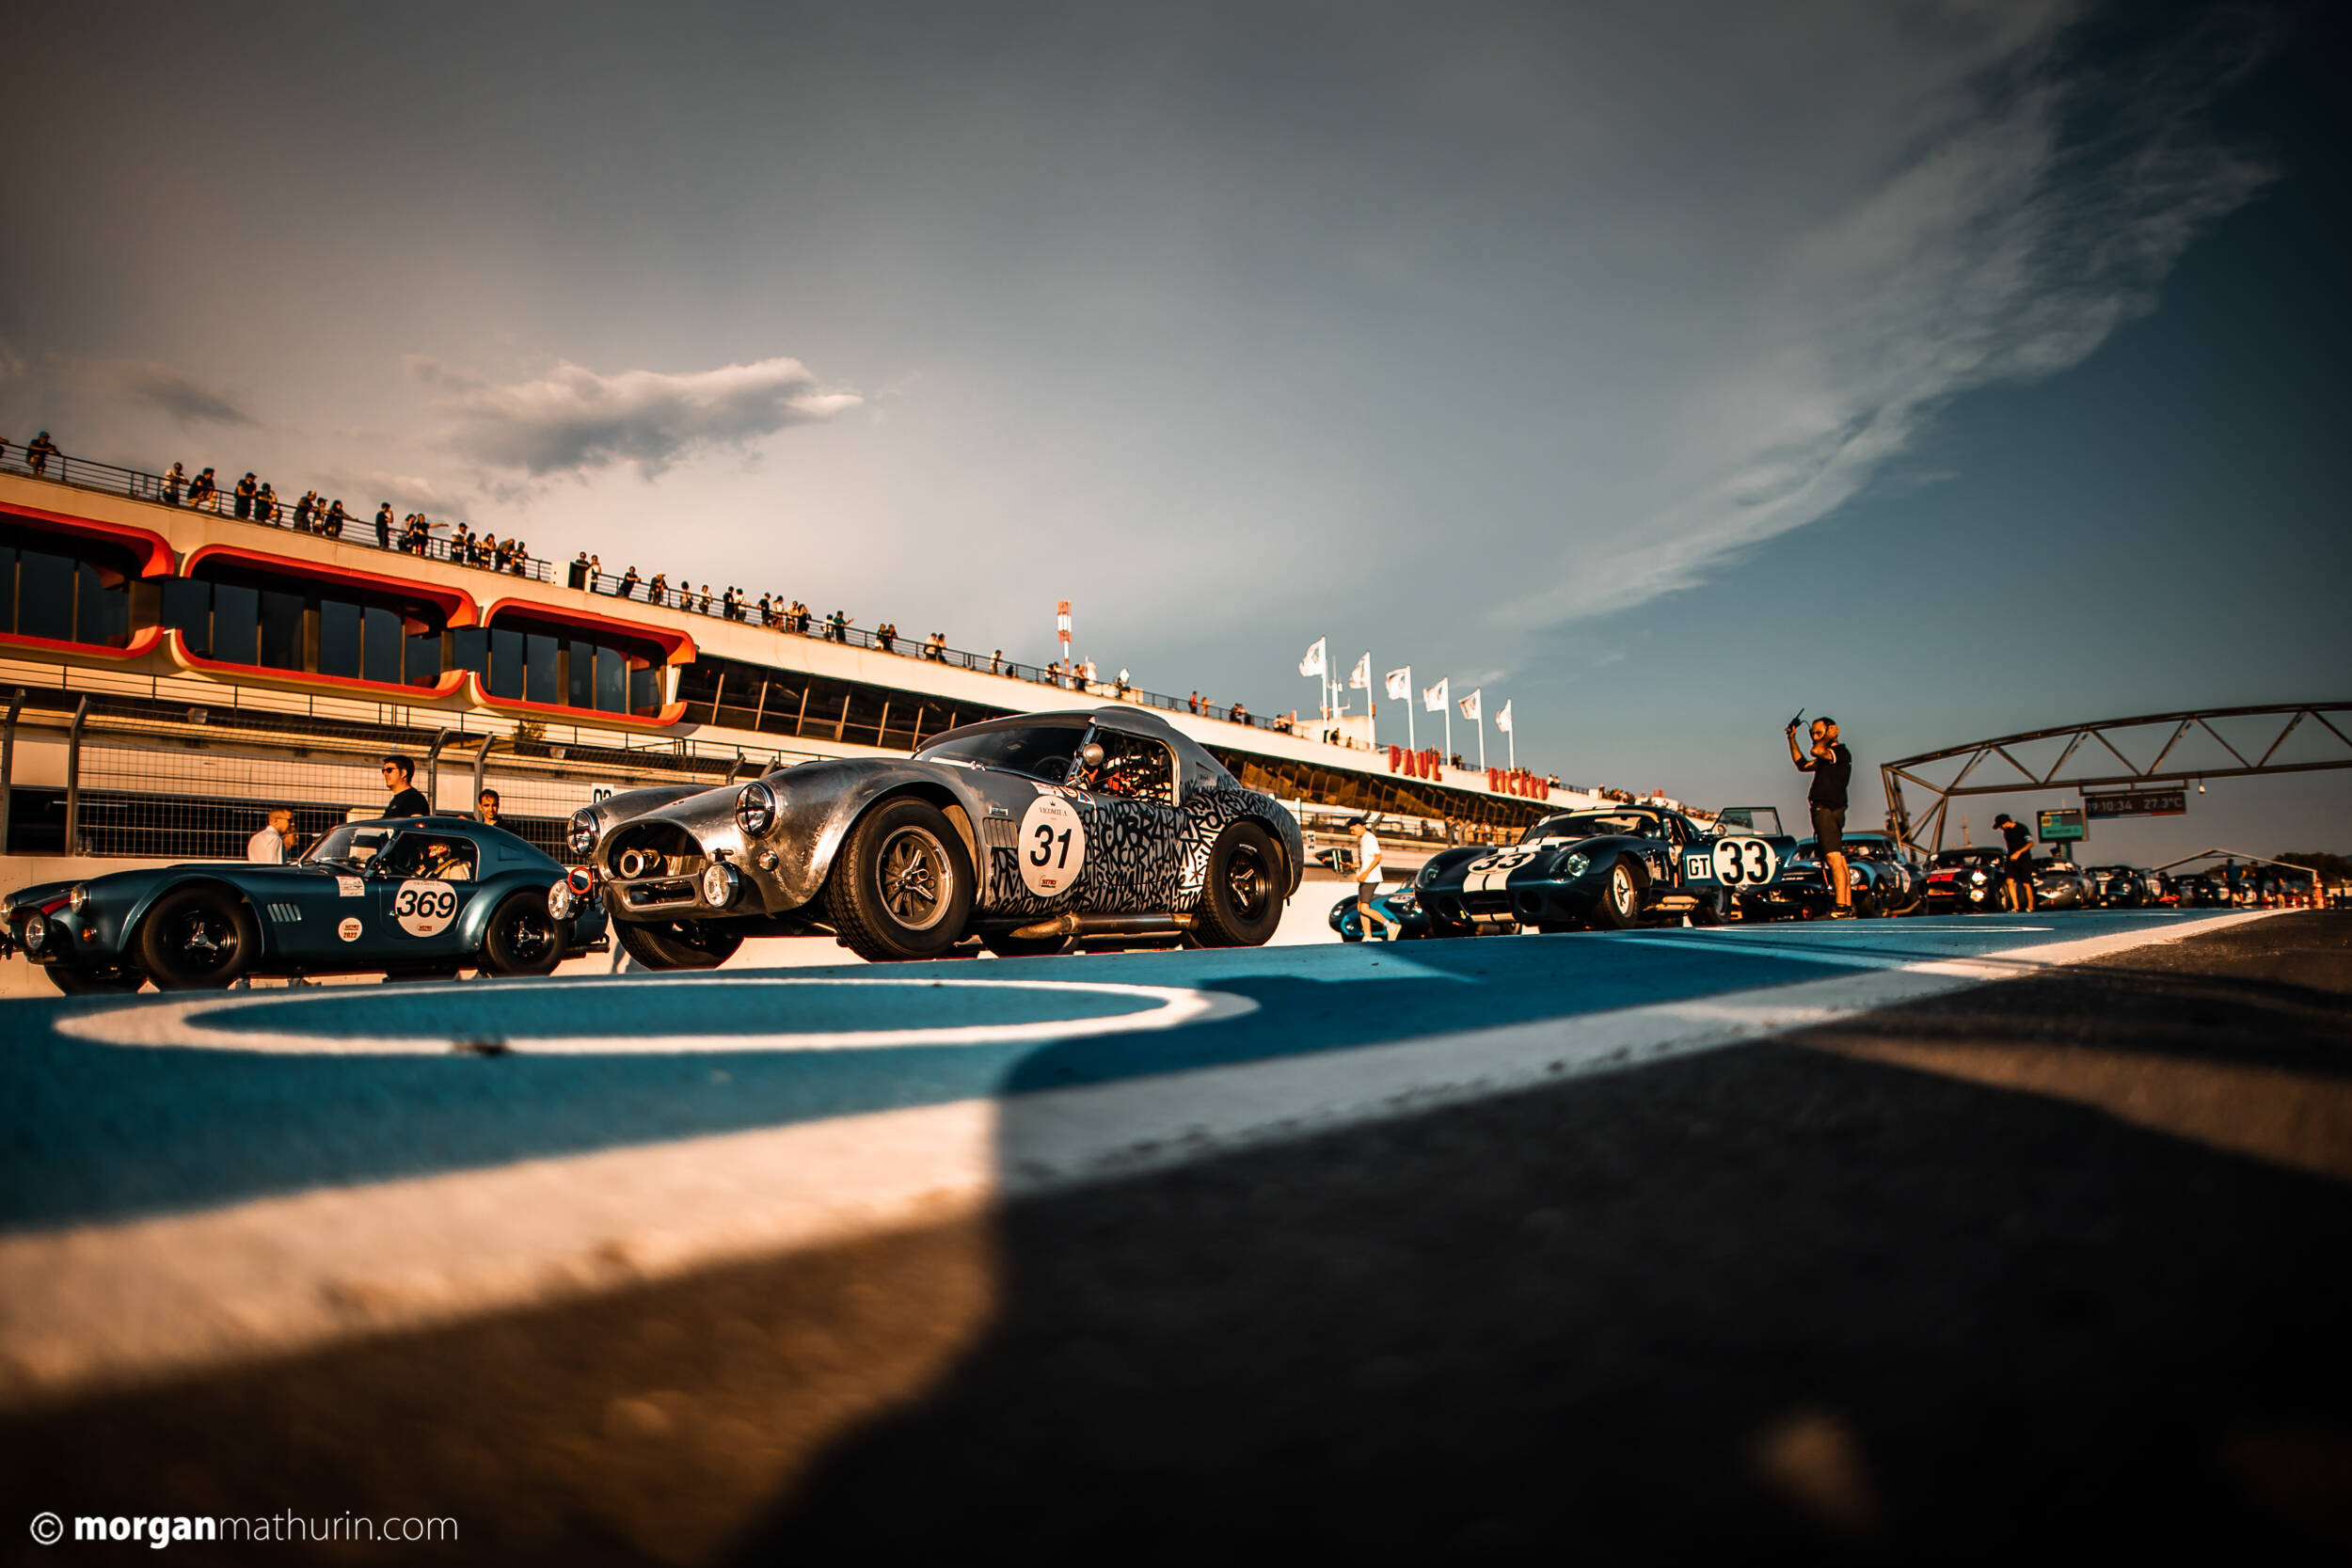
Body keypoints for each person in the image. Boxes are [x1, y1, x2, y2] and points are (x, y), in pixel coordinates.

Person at [1787, 715, 1854, 917]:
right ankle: (1846, 904)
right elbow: (1802, 764)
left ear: (1832, 730)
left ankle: (1841, 906)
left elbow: (1816, 750)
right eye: (1812, 734)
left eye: (1819, 732)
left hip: (1826, 810)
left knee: (1833, 858)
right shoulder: (1826, 758)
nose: (1815, 737)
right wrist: (1792, 739)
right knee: (1838, 859)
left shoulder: (1838, 752)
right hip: (1828, 810)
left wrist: (1825, 739)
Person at [1349, 816, 1392, 940]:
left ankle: (1390, 926)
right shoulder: (1363, 839)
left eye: (1353, 830)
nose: (1352, 833)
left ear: (1358, 825)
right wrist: (1352, 865)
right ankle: (1367, 936)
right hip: (1365, 877)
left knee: (1364, 908)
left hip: (1370, 878)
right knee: (1360, 908)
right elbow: (1366, 860)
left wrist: (1366, 873)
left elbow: (1378, 856)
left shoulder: (1369, 837)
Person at [1994, 812, 2035, 912]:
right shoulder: (2006, 833)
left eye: (2001, 826)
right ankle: (2015, 906)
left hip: (2024, 859)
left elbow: (2031, 843)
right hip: (2011, 859)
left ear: (2005, 823)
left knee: (2026, 883)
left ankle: (2030, 905)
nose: (2001, 829)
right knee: (2009, 881)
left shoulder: (2022, 828)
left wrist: (2019, 852)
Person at [379, 754, 431, 818]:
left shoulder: (414, 798)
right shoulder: (397, 799)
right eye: (383, 771)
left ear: (403, 773)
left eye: (389, 770)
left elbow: (415, 824)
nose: (385, 774)